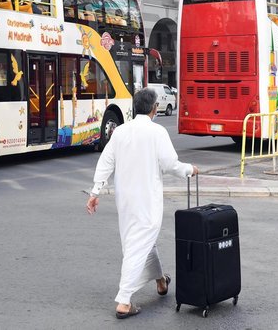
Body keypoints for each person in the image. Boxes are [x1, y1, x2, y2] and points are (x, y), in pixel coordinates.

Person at [85, 88, 198, 320]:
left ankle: (160, 282)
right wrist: (190, 170)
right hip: (147, 200)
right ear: (155, 108)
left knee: (141, 241)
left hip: (125, 200)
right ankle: (124, 301)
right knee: (139, 245)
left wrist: (95, 190)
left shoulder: (120, 132)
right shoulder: (157, 132)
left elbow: (106, 161)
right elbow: (170, 164)